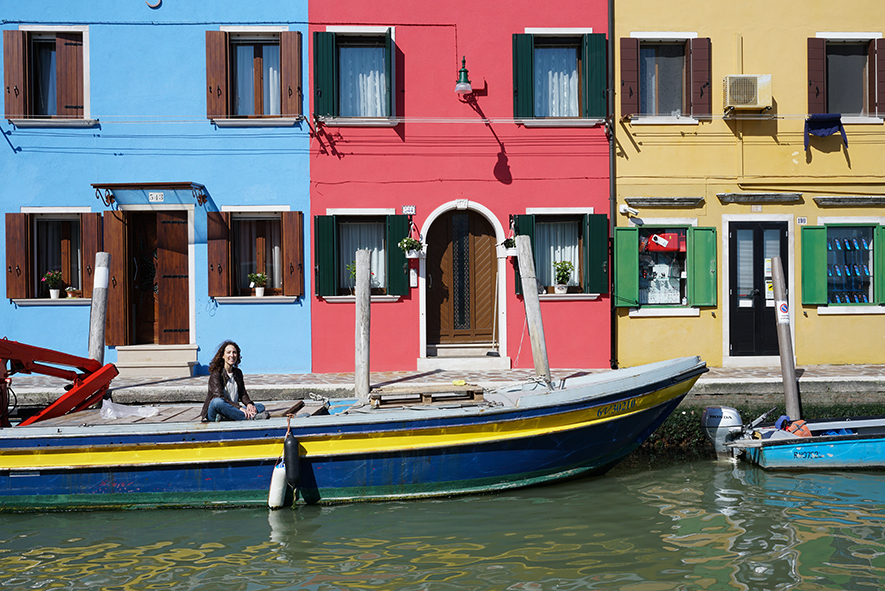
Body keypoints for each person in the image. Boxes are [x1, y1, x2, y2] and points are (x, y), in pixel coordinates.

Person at [201, 340, 269, 422]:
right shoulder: (216, 374)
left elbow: (242, 393)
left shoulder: (238, 373)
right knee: (217, 402)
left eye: (234, 352)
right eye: (228, 352)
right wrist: (239, 408)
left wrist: (249, 404)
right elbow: (219, 397)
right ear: (222, 355)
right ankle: (251, 417)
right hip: (215, 411)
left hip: (233, 408)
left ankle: (229, 417)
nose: (232, 355)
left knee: (259, 406)